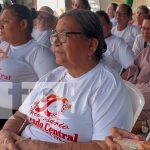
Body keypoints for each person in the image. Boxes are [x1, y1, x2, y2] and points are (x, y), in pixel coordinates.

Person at [0, 9, 133, 149]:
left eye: (64, 35)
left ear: (91, 45)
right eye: (55, 34)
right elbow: (21, 116)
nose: (55, 41)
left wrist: (42, 147)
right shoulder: (53, 76)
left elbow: (104, 146)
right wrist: (5, 133)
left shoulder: (107, 85)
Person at [0, 4, 56, 127]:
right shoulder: (4, 46)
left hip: (18, 117)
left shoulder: (40, 53)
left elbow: (51, 92)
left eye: (5, 22)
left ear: (23, 25)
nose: (0, 26)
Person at [123, 15, 150, 134]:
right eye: (143, 28)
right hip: (133, 91)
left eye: (149, 29)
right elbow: (132, 70)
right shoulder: (146, 51)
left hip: (143, 100)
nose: (145, 32)